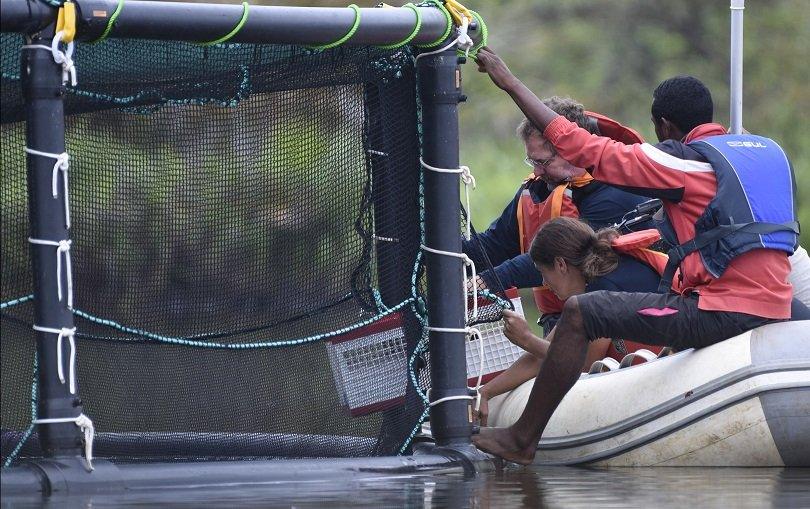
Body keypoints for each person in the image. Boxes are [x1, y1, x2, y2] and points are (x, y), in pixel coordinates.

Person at [471, 46, 809, 464]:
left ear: (664, 125)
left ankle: (522, 439)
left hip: (719, 313)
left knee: (579, 312)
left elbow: (589, 150)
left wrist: (509, 82)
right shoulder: (767, 154)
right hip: (778, 306)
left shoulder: (684, 165)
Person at [463, 97, 656, 334]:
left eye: (543, 162)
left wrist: (491, 280)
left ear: (574, 151)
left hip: (610, 321)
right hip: (558, 322)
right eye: (532, 160)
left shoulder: (616, 190)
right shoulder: (537, 188)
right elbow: (493, 247)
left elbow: (567, 254)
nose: (536, 171)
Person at [477, 217, 669, 425]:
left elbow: (581, 365)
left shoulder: (601, 290)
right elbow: (543, 354)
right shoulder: (601, 276)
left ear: (560, 264)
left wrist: (526, 339)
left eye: (543, 272)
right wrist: (486, 392)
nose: (543, 283)